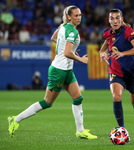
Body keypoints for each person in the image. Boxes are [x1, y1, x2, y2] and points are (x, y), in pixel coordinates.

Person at [8, 5, 97, 140]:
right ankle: (15, 119)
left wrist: (70, 51)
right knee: (47, 102)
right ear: (69, 17)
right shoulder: (72, 31)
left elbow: (54, 38)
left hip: (67, 69)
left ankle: (80, 131)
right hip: (59, 70)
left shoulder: (63, 26)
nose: (79, 18)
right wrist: (80, 59)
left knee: (78, 98)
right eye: (76, 15)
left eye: (80, 15)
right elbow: (66, 52)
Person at [99, 9, 134, 137]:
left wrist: (122, 53)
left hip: (132, 73)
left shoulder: (128, 31)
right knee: (116, 96)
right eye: (112, 18)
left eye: (117, 18)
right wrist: (102, 53)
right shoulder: (107, 33)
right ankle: (122, 130)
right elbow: (103, 47)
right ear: (109, 20)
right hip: (116, 72)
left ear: (121, 19)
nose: (115, 21)